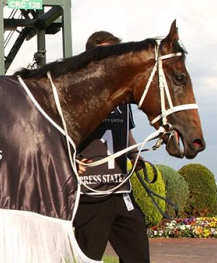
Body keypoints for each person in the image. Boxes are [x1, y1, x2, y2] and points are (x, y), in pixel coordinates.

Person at [72, 31, 150, 262]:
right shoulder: (78, 96)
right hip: (90, 192)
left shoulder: (123, 96)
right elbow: (57, 135)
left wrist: (135, 155)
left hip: (122, 190)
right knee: (89, 259)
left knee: (138, 256)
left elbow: (126, 130)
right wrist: (69, 161)